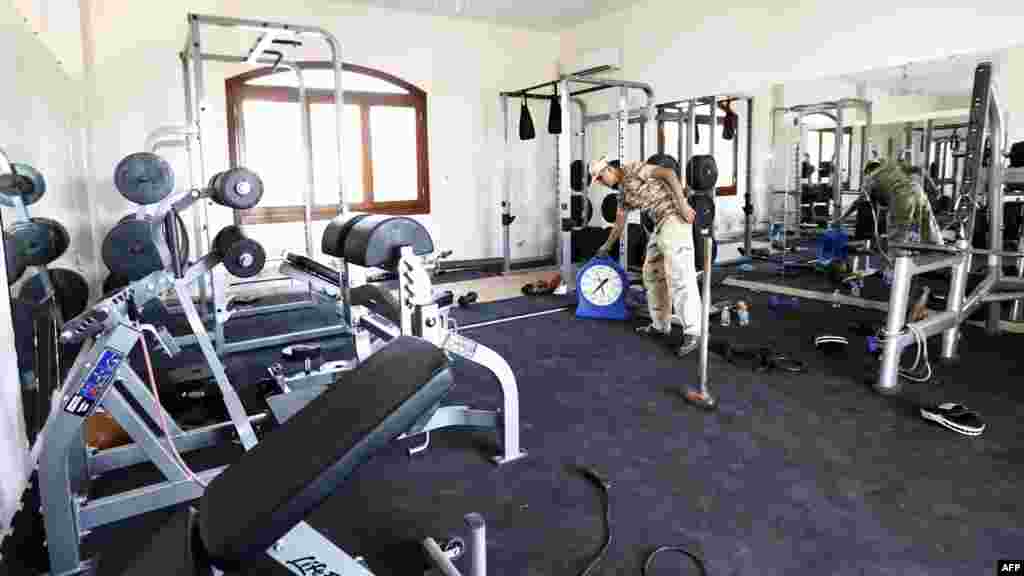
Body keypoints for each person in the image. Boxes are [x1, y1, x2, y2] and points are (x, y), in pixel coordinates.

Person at [588, 155, 701, 358]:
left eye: (600, 179)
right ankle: (660, 325)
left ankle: (693, 332)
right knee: (651, 273)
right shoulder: (622, 194)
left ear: (607, 171)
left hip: (674, 217)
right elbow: (619, 224)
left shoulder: (633, 169)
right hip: (660, 224)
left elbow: (669, 173)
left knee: (680, 277)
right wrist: (606, 246)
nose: (601, 184)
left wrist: (683, 205)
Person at [862, 158, 943, 246]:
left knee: (896, 239)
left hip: (901, 196)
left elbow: (870, 208)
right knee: (929, 231)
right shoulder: (894, 167)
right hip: (918, 191)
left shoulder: (871, 179)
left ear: (869, 170)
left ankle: (897, 257)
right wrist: (934, 188)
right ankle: (939, 249)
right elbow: (920, 170)